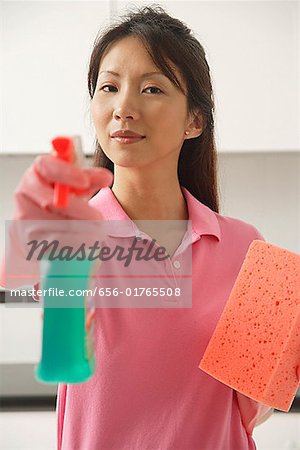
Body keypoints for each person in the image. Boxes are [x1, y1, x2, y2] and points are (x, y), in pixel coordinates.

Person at [4, 5, 276, 450]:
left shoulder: (248, 248)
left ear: (194, 120)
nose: (123, 108)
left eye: (151, 88)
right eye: (108, 87)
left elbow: (251, 408)